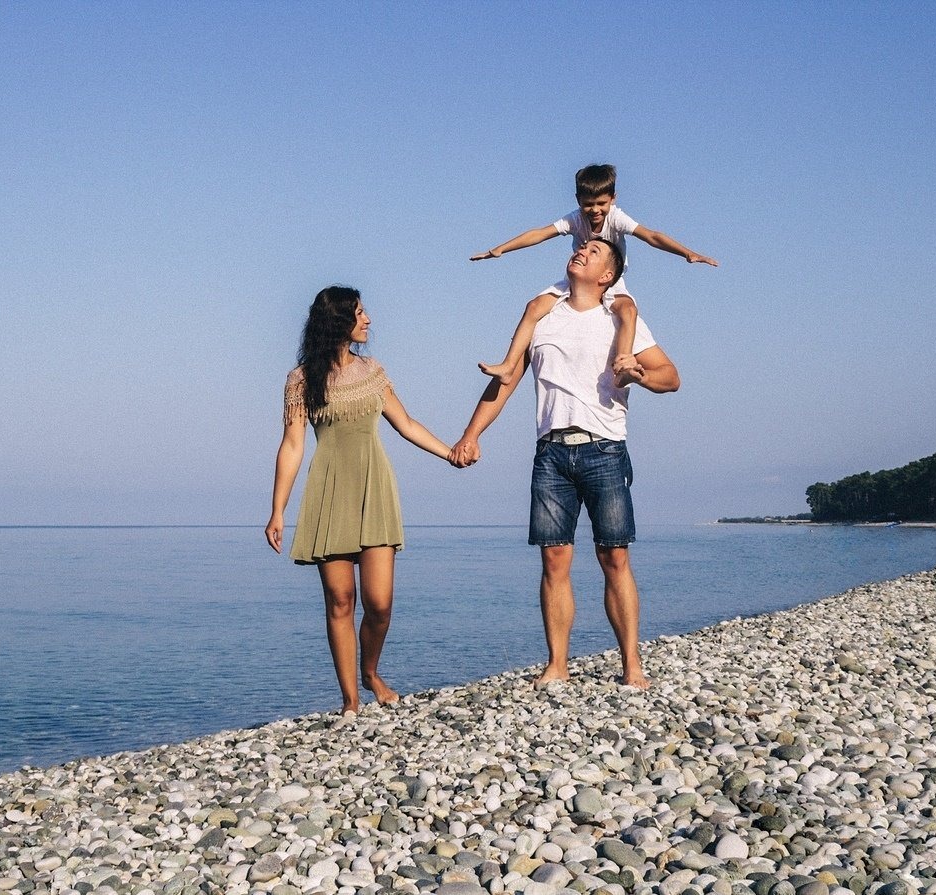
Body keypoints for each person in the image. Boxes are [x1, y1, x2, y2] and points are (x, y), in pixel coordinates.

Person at [450, 238, 680, 688]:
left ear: (607, 276)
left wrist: (641, 375)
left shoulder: (620, 319)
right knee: (554, 559)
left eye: (595, 253)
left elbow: (671, 377)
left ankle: (632, 665)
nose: (582, 252)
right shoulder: (543, 316)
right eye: (582, 249)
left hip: (605, 449)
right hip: (551, 453)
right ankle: (557, 665)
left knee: (614, 557)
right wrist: (471, 434)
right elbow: (507, 381)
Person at [266, 286, 454, 715]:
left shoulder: (373, 372)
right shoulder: (301, 380)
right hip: (329, 491)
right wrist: (277, 509)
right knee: (339, 601)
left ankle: (370, 671)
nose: (368, 320)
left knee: (380, 604)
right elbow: (292, 445)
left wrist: (449, 453)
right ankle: (350, 700)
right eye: (360, 313)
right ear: (338, 322)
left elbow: (405, 423)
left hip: (374, 488)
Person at [470, 163, 716, 386]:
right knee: (534, 306)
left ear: (613, 199)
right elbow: (540, 233)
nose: (595, 210)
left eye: (601, 204)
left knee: (628, 311)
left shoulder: (617, 218)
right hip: (578, 280)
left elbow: (651, 236)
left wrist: (687, 253)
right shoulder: (576, 220)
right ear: (578, 200)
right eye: (588, 204)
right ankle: (508, 365)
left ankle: (623, 363)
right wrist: (501, 248)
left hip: (611, 281)